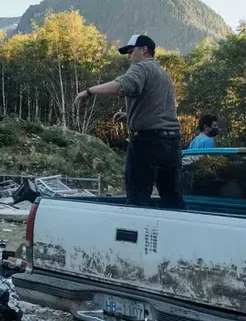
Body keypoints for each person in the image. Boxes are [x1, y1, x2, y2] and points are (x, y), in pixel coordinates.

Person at [74, 34, 184, 209]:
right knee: (172, 198)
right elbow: (161, 109)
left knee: (137, 199)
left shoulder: (140, 67)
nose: (128, 57)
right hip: (172, 144)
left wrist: (88, 91)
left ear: (144, 50)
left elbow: (123, 85)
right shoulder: (163, 75)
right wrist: (130, 116)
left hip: (147, 143)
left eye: (131, 52)